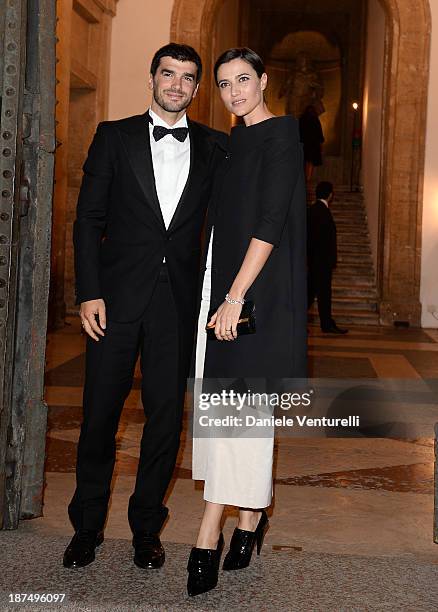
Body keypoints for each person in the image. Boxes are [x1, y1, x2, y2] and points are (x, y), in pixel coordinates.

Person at [64, 43, 227, 570]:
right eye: (168, 74)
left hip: (176, 305)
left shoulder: (215, 147)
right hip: (112, 302)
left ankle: (146, 529)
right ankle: (86, 527)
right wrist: (88, 291)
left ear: (198, 89)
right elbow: (88, 219)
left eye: (187, 78)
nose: (176, 85)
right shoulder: (114, 136)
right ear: (152, 77)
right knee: (98, 420)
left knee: (163, 422)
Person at [186, 47, 307, 596]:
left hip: (253, 294)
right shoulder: (228, 143)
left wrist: (236, 297)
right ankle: (251, 519)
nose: (234, 92)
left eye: (243, 80)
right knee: (226, 417)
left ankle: (209, 532)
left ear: (263, 80)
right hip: (219, 289)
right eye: (224, 84)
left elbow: (271, 222)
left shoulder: (282, 134)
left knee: (241, 417)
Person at [307, 181, 348, 334]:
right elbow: (325, 240)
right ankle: (327, 324)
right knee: (323, 294)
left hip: (314, 262)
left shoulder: (312, 210)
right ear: (330, 195)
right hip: (322, 263)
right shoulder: (323, 211)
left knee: (310, 294)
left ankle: (326, 323)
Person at [299, 105, 325, 182]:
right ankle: (307, 178)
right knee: (309, 162)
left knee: (306, 162)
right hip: (312, 145)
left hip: (305, 144)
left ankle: (306, 178)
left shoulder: (302, 120)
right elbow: (319, 133)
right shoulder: (314, 119)